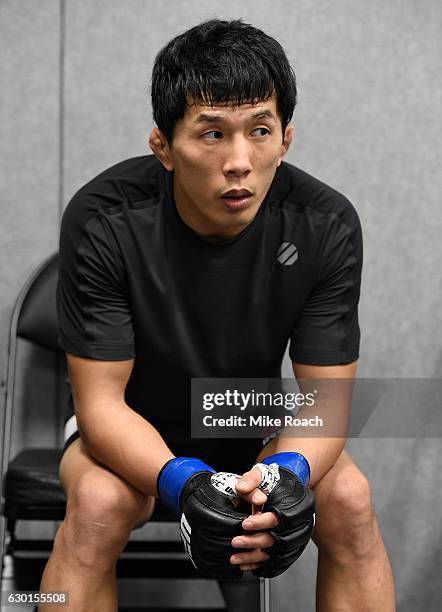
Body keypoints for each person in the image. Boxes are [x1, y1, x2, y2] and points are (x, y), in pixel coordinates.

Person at [38, 18, 395, 612]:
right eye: (211, 135)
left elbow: (325, 401)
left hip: (251, 418)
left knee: (351, 501)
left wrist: (285, 470)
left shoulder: (325, 224)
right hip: (132, 426)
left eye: (260, 130)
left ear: (285, 139)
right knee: (98, 507)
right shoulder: (104, 218)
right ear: (163, 147)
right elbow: (100, 404)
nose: (239, 161)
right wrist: (184, 482)